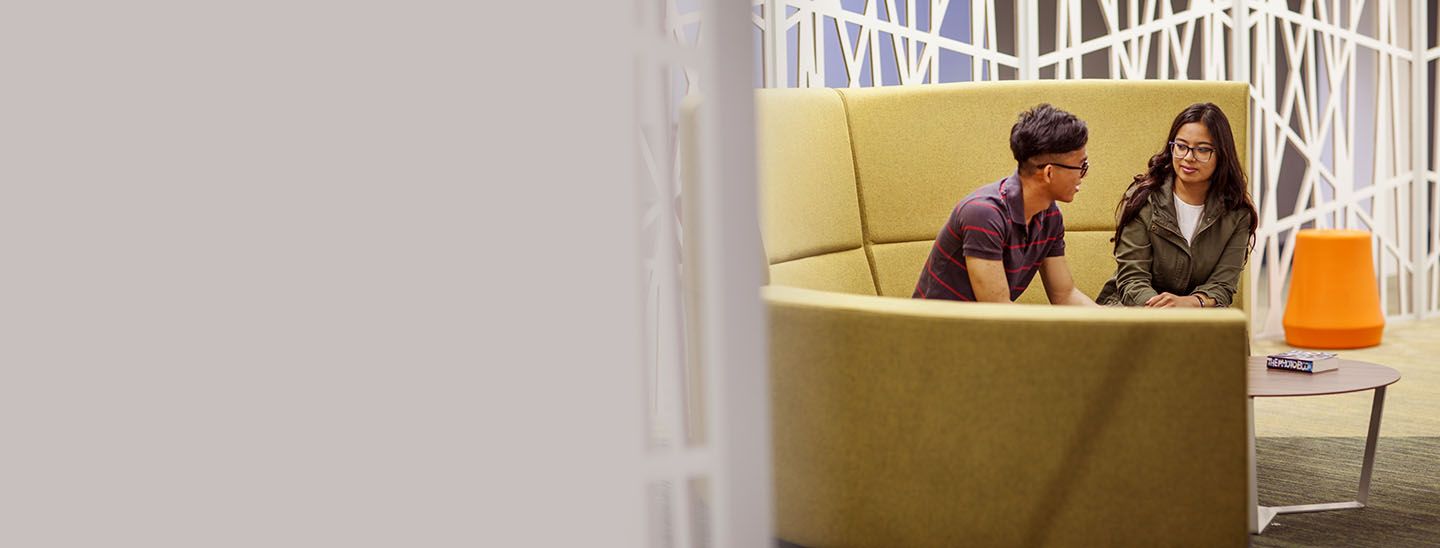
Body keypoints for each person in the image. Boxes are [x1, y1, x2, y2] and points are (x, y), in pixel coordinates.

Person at [913, 104, 1098, 305]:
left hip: (984, 330)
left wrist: (1120, 322)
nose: (1083, 175)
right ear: (1049, 173)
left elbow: (1065, 294)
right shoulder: (983, 214)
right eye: (1082, 166)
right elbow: (998, 310)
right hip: (938, 331)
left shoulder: (1049, 215)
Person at [1095, 102, 1258, 307]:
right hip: (1133, 310)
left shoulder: (1238, 214)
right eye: (1181, 147)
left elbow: (1222, 286)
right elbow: (1132, 281)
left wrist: (1189, 303)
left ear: (1221, 155)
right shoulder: (1143, 198)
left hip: (1194, 317)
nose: (1188, 158)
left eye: (1202, 150)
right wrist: (1164, 312)